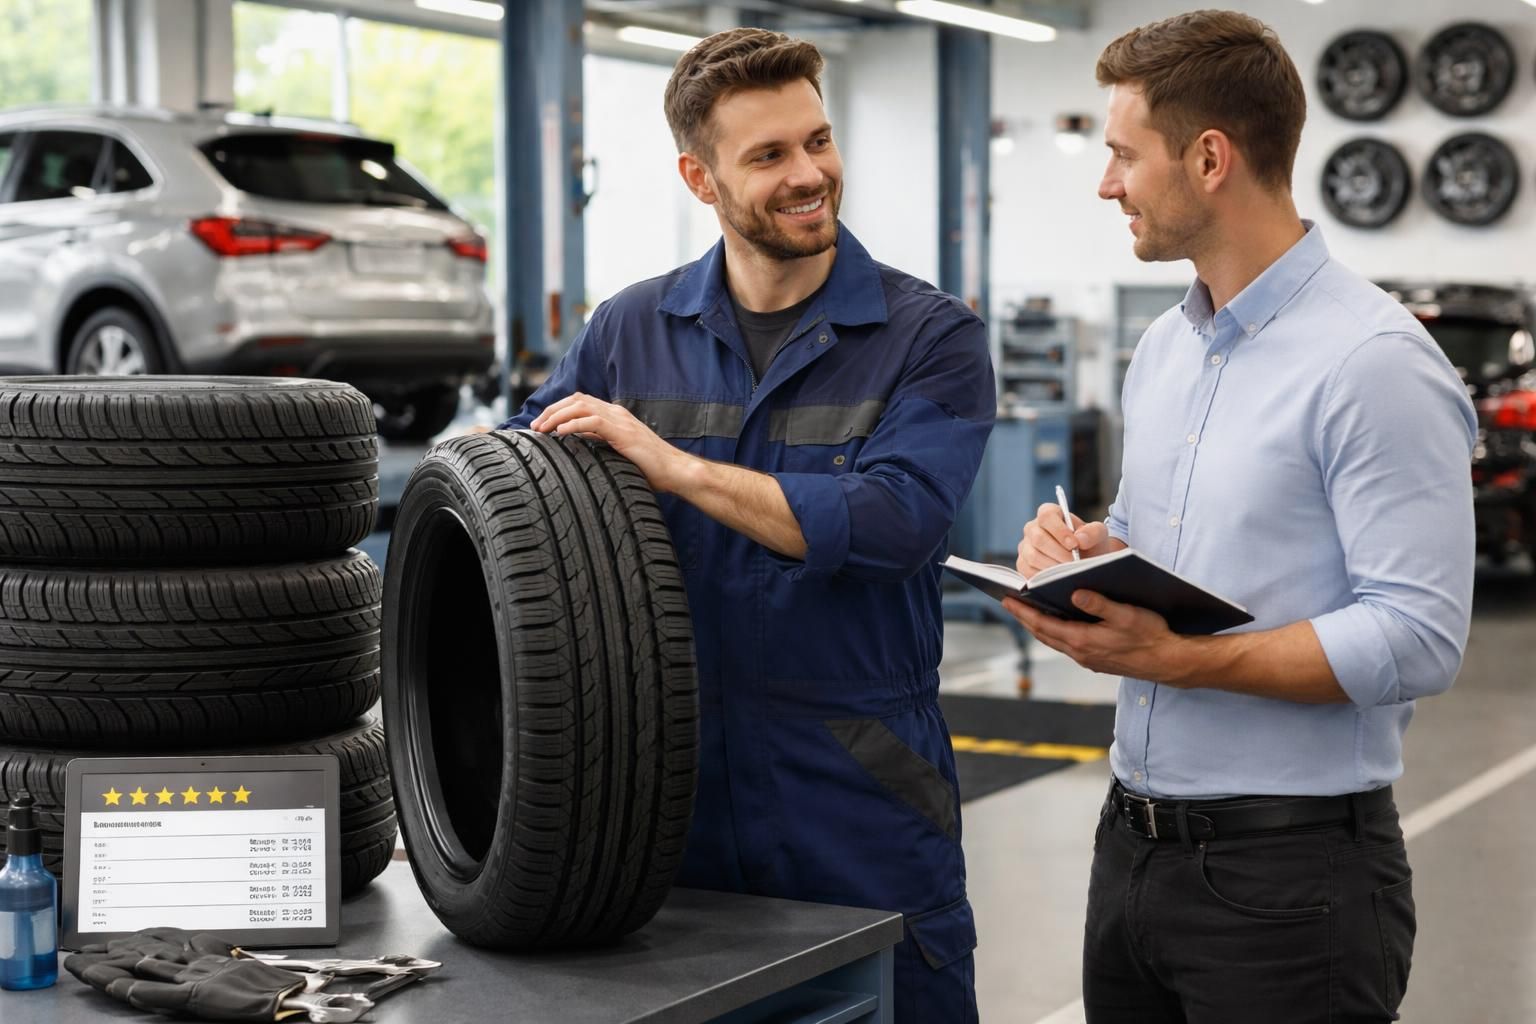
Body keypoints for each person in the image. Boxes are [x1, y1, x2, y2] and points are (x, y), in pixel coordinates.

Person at [500, 28, 994, 1021]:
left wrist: (672, 465)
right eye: (769, 156)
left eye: (818, 141)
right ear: (700, 176)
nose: (809, 174)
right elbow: (520, 491)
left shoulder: (928, 337)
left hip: (858, 801)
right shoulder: (628, 330)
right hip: (663, 804)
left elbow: (895, 522)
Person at [1006, 11, 1475, 1024]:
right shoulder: (1168, 351)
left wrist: (1183, 661)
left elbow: (1418, 634)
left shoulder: (1375, 365)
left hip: (1290, 884)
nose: (1105, 183)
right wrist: (1088, 552)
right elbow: (1162, 546)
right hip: (1130, 851)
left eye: (1123, 155)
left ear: (1209, 158)